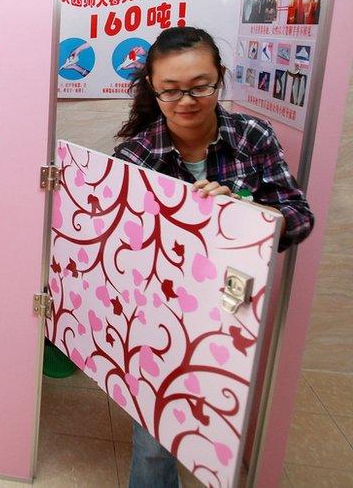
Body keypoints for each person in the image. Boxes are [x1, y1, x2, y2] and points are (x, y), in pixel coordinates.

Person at [114, 26, 313, 487]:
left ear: (220, 77)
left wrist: (246, 215)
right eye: (171, 90)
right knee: (155, 433)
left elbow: (298, 217)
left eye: (201, 86)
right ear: (152, 87)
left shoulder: (252, 136)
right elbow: (123, 250)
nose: (187, 101)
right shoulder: (136, 155)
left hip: (235, 301)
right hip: (163, 306)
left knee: (222, 415)